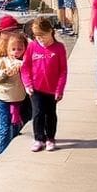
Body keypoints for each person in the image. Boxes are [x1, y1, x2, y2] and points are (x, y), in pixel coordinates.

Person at [21, 16, 68, 152]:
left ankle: (50, 138)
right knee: (38, 112)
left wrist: (60, 89)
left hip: (52, 89)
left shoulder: (59, 48)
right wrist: (27, 84)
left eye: (43, 35)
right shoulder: (32, 46)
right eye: (37, 36)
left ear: (50, 31)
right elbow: (25, 67)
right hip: (36, 88)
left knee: (50, 113)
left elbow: (63, 70)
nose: (40, 39)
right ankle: (38, 138)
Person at [0, 29, 29, 154]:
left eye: (19, 49)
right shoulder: (3, 61)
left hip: (17, 99)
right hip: (2, 98)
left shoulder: (26, 63)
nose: (16, 52)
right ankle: (1, 154)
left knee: (16, 125)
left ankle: (13, 151)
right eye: (13, 49)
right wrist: (5, 73)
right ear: (7, 49)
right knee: (4, 128)